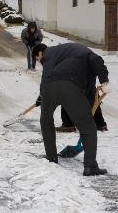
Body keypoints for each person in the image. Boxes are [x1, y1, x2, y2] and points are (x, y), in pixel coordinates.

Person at [32, 43, 110, 176]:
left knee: (46, 121)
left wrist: (42, 94)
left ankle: (51, 157)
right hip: (69, 85)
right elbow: (97, 61)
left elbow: (89, 89)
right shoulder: (88, 55)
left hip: (50, 86)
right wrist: (105, 82)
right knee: (89, 128)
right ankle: (90, 166)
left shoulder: (68, 59)